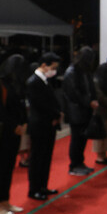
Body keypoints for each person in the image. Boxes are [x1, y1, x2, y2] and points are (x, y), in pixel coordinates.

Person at [0, 54, 28, 214]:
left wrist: (22, 123)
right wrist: (13, 126)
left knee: (8, 168)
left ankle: (5, 201)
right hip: (0, 133)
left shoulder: (12, 84)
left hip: (13, 133)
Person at [25, 52, 63, 200]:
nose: (54, 71)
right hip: (40, 125)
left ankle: (43, 186)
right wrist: (54, 114)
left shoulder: (44, 80)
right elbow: (39, 104)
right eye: (52, 67)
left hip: (48, 124)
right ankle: (34, 189)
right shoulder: (33, 82)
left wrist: (57, 114)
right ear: (43, 65)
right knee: (37, 158)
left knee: (46, 157)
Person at [63, 46, 98, 176]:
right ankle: (74, 165)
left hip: (84, 110)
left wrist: (93, 100)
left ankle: (80, 163)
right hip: (76, 112)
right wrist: (89, 101)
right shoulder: (72, 72)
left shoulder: (84, 71)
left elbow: (91, 88)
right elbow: (73, 94)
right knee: (77, 139)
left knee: (82, 138)